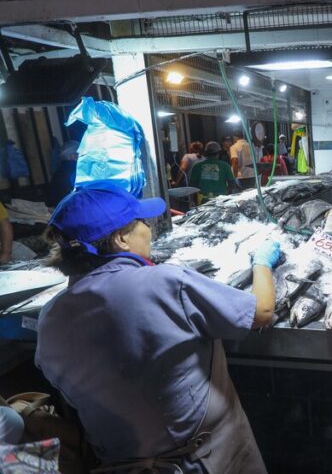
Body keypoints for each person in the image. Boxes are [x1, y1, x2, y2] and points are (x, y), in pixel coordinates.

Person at [35, 182, 281, 473]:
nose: (147, 228)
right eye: (140, 221)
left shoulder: (50, 317)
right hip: (207, 459)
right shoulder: (164, 282)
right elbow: (261, 312)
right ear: (120, 240)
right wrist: (262, 263)